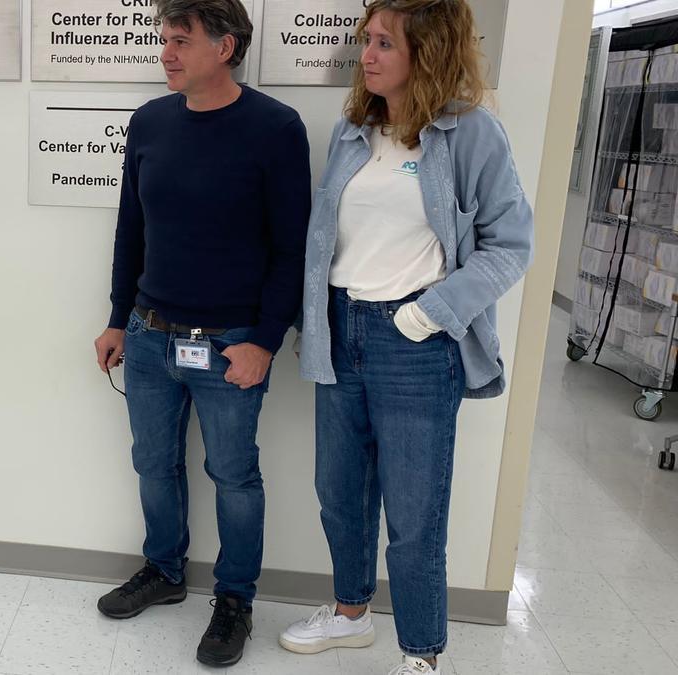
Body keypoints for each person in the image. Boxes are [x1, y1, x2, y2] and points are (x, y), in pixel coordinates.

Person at [279, 1, 533, 673]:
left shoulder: (471, 133)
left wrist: (431, 313)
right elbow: (327, 238)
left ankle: (422, 653)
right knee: (340, 494)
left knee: (415, 514)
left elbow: (511, 246)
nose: (365, 55)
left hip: (415, 344)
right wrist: (312, 320)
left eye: (384, 43)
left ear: (429, 49)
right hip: (341, 330)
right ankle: (351, 614)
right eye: (367, 40)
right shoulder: (354, 130)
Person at [92, 0, 310, 666]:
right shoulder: (150, 122)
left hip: (230, 342)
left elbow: (293, 248)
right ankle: (164, 569)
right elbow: (132, 229)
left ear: (225, 47)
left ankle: (235, 599)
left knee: (234, 474)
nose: (166, 53)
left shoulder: (276, 128)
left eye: (181, 40)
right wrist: (117, 317)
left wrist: (265, 340)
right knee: (153, 463)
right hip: (150, 333)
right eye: (164, 38)